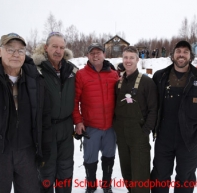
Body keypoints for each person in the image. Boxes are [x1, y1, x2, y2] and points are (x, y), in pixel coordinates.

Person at [0, 33, 52, 193]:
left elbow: (43, 118)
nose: (16, 54)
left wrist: (45, 149)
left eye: (20, 50)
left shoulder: (36, 81)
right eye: (10, 49)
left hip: (27, 154)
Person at [150, 40, 197, 193]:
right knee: (159, 176)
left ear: (190, 56)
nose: (181, 55)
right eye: (178, 51)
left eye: (185, 52)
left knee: (186, 178)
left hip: (189, 140)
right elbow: (149, 102)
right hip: (164, 137)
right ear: (172, 55)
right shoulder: (160, 76)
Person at [32, 32, 78, 193]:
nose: (58, 51)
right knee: (46, 171)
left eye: (62, 47)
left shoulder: (71, 70)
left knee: (65, 169)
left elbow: (88, 84)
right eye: (54, 47)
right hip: (45, 129)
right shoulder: (34, 69)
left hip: (66, 127)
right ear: (46, 47)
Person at [73, 43, 118, 193]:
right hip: (91, 127)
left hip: (110, 126)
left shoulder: (113, 74)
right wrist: (78, 121)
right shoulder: (81, 74)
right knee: (90, 159)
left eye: (98, 52)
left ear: (104, 54)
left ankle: (106, 185)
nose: (95, 55)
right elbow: (75, 101)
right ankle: (91, 186)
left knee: (109, 157)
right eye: (92, 53)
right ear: (87, 56)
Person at [113, 46, 157, 193]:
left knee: (140, 175)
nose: (128, 60)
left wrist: (145, 131)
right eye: (125, 57)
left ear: (138, 60)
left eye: (131, 57)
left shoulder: (146, 82)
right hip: (122, 134)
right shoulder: (119, 82)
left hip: (139, 135)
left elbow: (153, 109)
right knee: (127, 172)